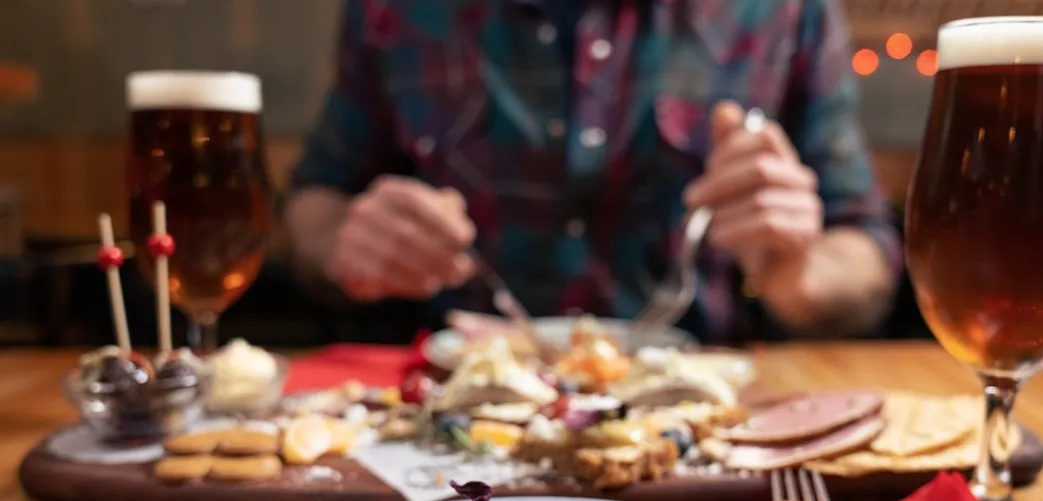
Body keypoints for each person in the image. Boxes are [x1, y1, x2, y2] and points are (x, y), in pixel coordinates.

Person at [285, 0, 901, 344]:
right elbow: (314, 201)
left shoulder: (783, 11)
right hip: (449, 413)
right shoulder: (394, 10)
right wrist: (345, 240)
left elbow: (866, 245)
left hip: (699, 412)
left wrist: (800, 274)